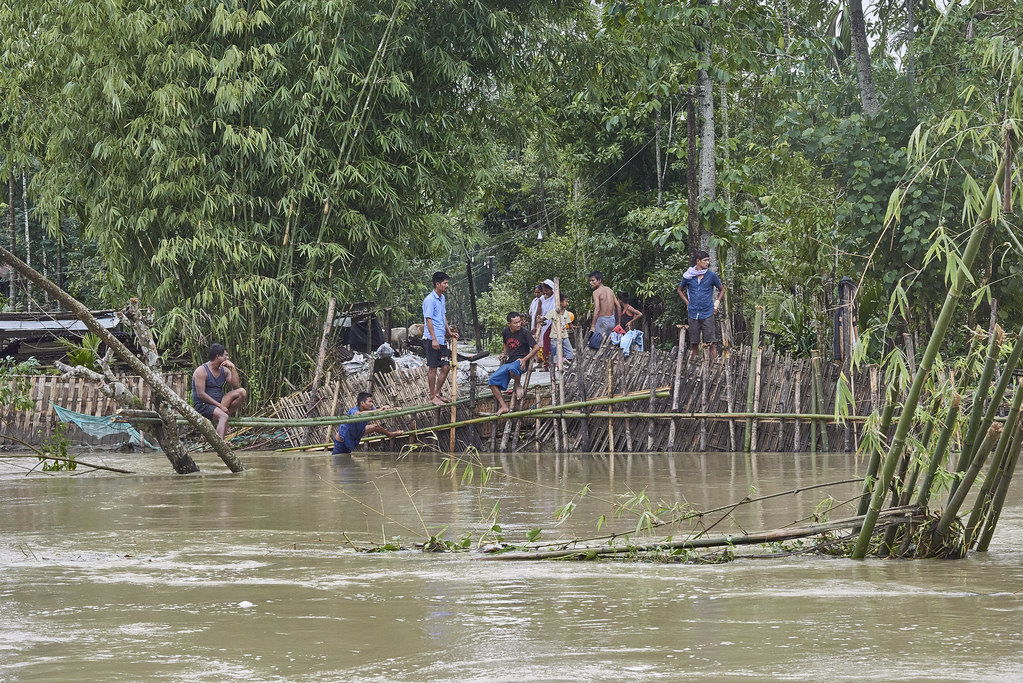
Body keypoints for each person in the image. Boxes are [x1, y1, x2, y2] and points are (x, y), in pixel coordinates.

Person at [677, 250, 726, 361]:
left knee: (711, 343)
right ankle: (693, 366)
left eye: (708, 260)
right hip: (693, 313)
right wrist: (687, 303)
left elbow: (722, 289)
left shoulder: (711, 276)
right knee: (694, 343)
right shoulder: (689, 276)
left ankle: (714, 365)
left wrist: (716, 303)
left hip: (708, 312)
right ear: (698, 261)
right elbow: (679, 290)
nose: (707, 262)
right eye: (705, 260)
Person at [488, 312, 540, 414]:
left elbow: (536, 347)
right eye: (515, 323)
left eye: (519, 322)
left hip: (520, 362)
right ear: (509, 324)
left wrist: (524, 359)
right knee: (491, 381)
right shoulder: (506, 332)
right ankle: (503, 406)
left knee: (512, 368)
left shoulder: (525, 333)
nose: (518, 325)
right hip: (509, 362)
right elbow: (505, 343)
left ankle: (518, 385)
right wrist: (505, 353)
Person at [192, 343, 247, 437]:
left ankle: (224, 419)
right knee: (223, 416)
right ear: (218, 356)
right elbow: (200, 394)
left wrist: (233, 368)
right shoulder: (201, 371)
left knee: (242, 392)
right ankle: (221, 444)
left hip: (219, 404)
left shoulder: (224, 371)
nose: (228, 358)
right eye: (226, 355)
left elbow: (236, 386)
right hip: (203, 406)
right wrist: (220, 406)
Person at [423, 271, 459, 405]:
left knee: (445, 367)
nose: (447, 285)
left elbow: (443, 316)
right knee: (433, 367)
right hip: (431, 339)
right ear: (437, 284)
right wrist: (433, 339)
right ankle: (432, 396)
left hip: (441, 338)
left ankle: (437, 393)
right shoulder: (429, 300)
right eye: (445, 283)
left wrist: (449, 331)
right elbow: (429, 320)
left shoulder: (442, 298)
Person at [333, 392, 402, 454]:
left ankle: (389, 434)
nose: (372, 404)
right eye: (370, 402)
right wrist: (379, 409)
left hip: (357, 432)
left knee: (375, 427)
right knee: (339, 460)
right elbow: (358, 414)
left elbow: (379, 411)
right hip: (342, 440)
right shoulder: (353, 410)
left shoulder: (370, 410)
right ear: (362, 403)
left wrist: (393, 409)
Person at [588, 270, 619, 347]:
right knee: (608, 345)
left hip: (602, 321)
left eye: (592, 280)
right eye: (590, 281)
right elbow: (618, 306)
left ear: (599, 280)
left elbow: (597, 309)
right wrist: (618, 323)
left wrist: (593, 326)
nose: (590, 283)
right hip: (612, 321)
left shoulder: (596, 292)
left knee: (596, 345)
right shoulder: (610, 290)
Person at [545, 294, 575, 364]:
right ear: (560, 302)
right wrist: (540, 320)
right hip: (555, 336)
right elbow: (545, 318)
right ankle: (556, 365)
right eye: (566, 301)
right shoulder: (553, 312)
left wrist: (573, 330)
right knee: (555, 352)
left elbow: (569, 323)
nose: (567, 303)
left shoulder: (566, 313)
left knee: (569, 350)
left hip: (564, 335)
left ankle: (568, 362)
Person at [537, 279, 556, 363]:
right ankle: (546, 362)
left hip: (554, 322)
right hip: (545, 323)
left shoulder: (556, 298)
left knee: (554, 342)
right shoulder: (541, 299)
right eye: (544, 291)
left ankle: (556, 361)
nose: (546, 292)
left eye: (547, 290)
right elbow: (538, 312)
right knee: (545, 342)